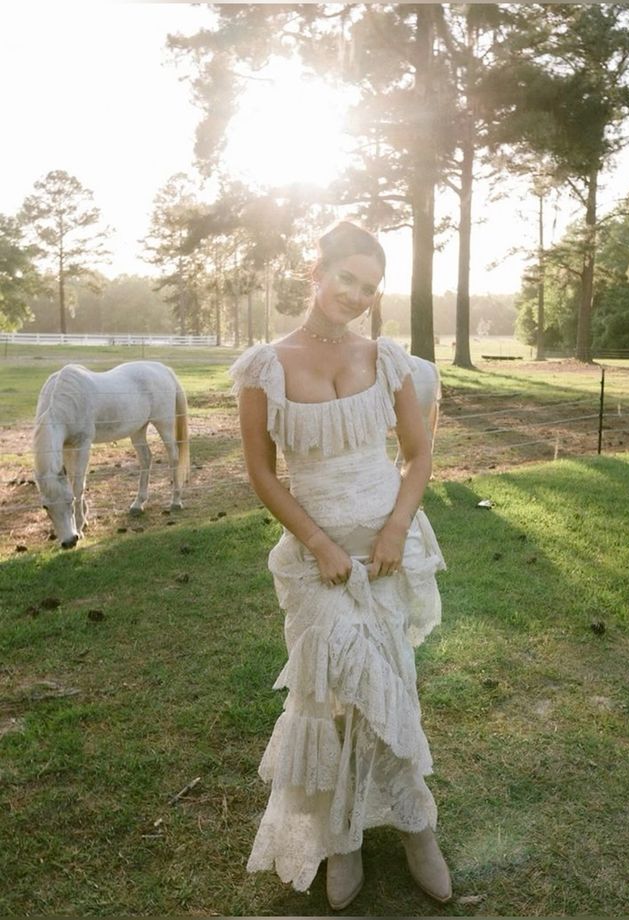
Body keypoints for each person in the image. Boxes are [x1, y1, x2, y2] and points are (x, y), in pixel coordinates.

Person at [229, 221, 451, 910]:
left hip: (388, 553)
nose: (356, 295)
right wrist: (320, 544)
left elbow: (418, 456)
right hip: (317, 559)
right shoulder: (264, 366)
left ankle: (417, 830)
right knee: (331, 693)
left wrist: (395, 527)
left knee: (393, 683)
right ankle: (344, 839)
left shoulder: (386, 360)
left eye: (370, 287)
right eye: (347, 278)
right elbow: (263, 476)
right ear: (314, 270)